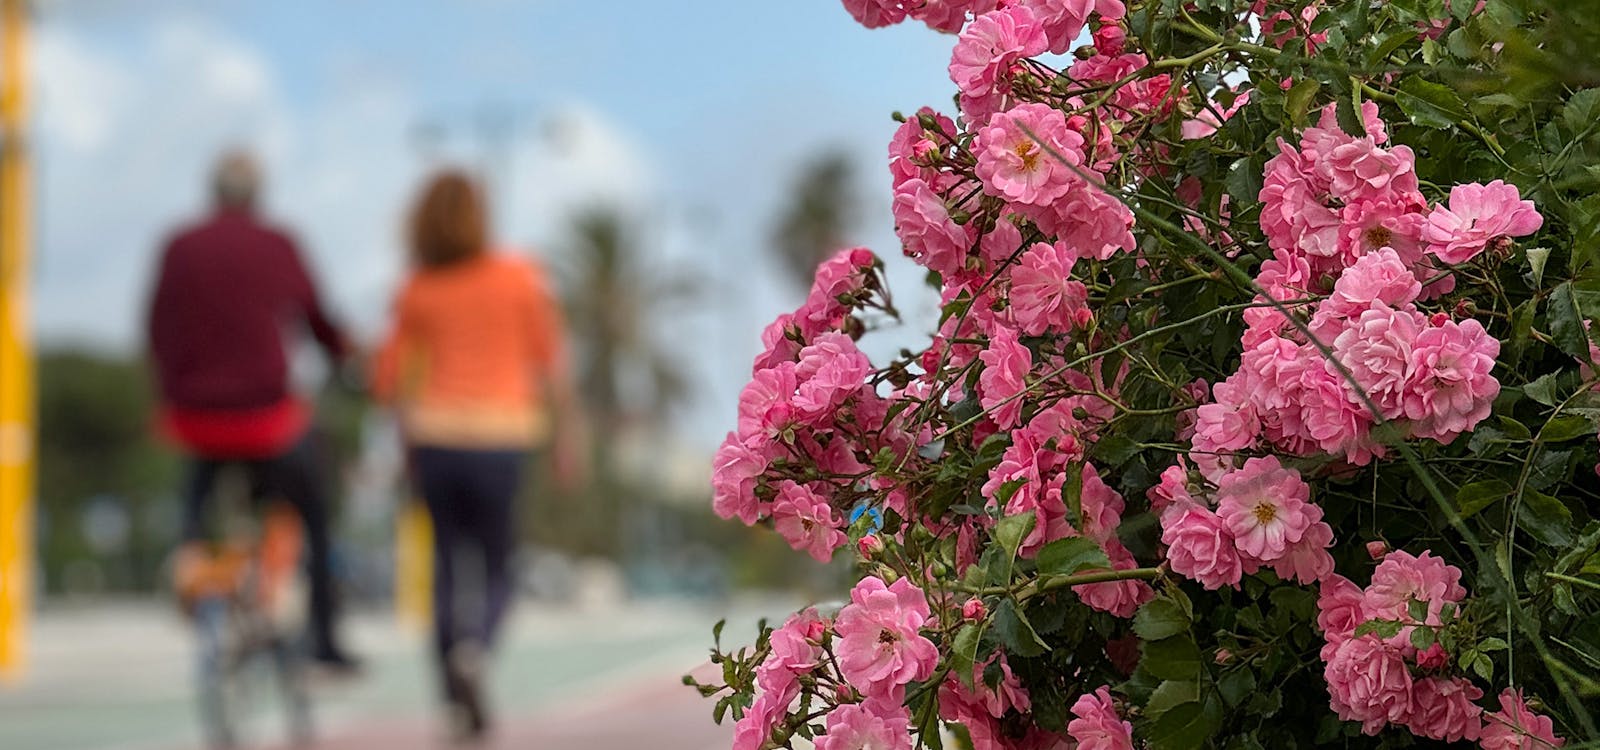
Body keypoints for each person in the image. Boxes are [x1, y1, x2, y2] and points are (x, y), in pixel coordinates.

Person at [372, 170, 580, 739]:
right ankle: (477, 652)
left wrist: (404, 439)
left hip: (435, 439)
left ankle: (450, 697)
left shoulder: (418, 287)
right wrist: (567, 440)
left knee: (443, 567)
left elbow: (390, 379)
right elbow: (552, 363)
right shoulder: (519, 277)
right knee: (498, 568)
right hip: (501, 437)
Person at [148, 150, 361, 671]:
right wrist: (344, 358)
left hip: (193, 415)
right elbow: (315, 318)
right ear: (257, 194)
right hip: (266, 417)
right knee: (315, 512)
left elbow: (156, 323)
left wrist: (172, 387)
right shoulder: (276, 243)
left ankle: (191, 552)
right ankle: (325, 641)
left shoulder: (180, 245)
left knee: (198, 483)